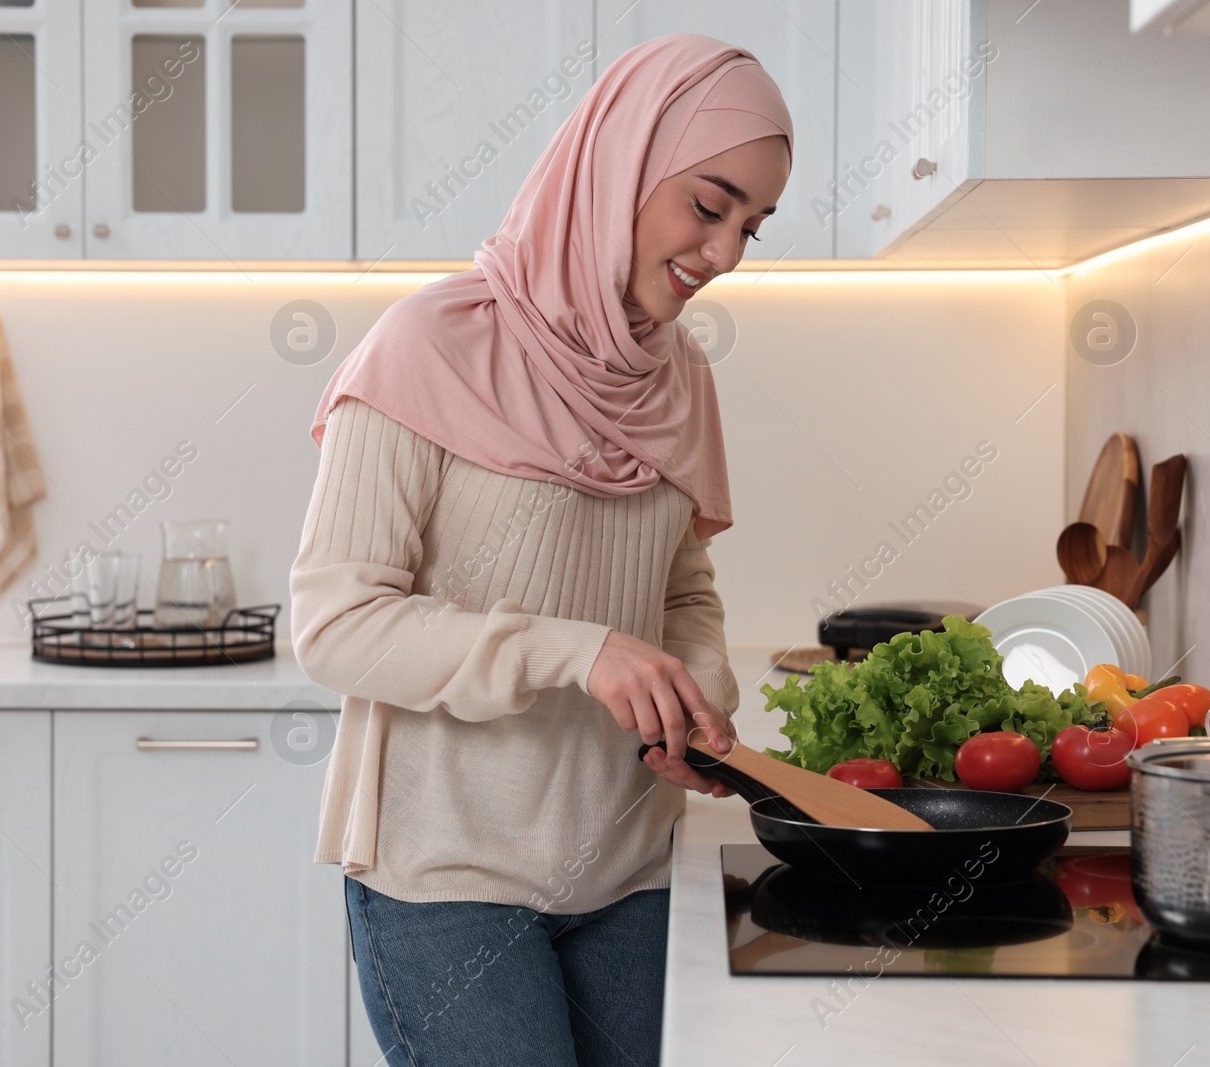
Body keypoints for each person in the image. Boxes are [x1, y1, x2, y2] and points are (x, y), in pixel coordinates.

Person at [289, 32, 793, 1067]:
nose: (728, 253)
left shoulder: (675, 377)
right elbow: (337, 625)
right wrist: (580, 650)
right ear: (620, 167)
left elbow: (682, 588)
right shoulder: (428, 345)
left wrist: (692, 700)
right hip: (444, 885)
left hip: (629, 868)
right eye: (708, 204)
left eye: (754, 224)